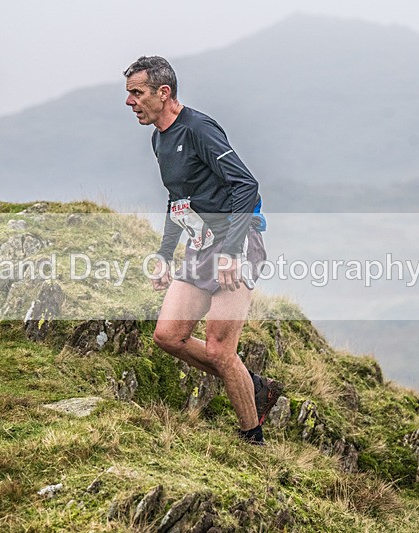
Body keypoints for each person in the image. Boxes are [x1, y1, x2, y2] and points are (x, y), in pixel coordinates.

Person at [124, 56, 284, 444]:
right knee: (168, 336)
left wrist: (230, 250)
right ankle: (253, 384)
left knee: (218, 348)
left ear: (164, 93)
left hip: (236, 241)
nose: (130, 102)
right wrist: (164, 255)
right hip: (199, 246)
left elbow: (247, 184)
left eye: (136, 93)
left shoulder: (199, 128)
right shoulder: (158, 137)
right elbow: (176, 199)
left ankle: (253, 438)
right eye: (128, 93)